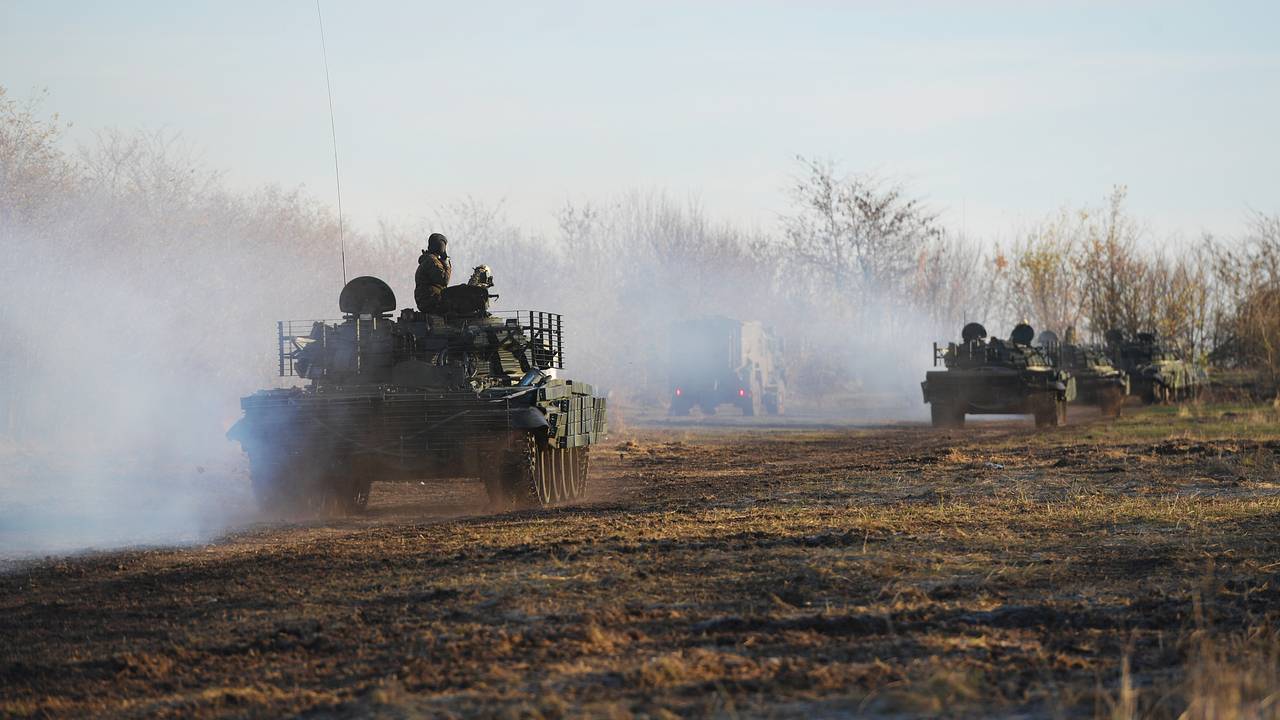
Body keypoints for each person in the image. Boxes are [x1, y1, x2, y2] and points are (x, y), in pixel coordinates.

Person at [414, 233, 452, 313]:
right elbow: (444, 280)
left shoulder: (428, 259)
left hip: (427, 299)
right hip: (432, 300)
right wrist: (446, 262)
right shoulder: (432, 261)